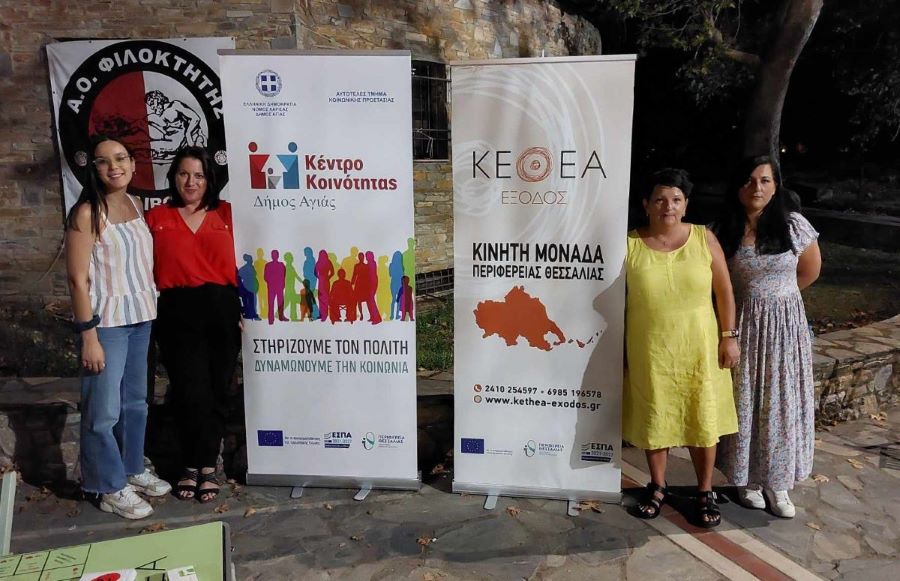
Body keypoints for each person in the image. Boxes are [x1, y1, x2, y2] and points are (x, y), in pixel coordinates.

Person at [623, 168, 740, 528]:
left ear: (686, 204)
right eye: (660, 199)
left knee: (701, 417)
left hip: (699, 348)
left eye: (676, 199)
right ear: (646, 204)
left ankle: (705, 490)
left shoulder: (704, 238)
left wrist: (729, 336)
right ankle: (657, 485)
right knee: (654, 413)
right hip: (650, 348)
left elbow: (724, 290)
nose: (668, 206)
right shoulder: (628, 244)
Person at [65, 136, 171, 520]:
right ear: (93, 169)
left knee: (135, 402)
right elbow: (77, 280)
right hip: (106, 323)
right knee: (103, 411)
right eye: (104, 161)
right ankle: (107, 485)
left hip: (141, 317)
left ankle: (131, 468)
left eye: (121, 158)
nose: (115, 167)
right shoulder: (86, 214)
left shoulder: (136, 204)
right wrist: (88, 335)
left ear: (132, 163)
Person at [713, 155, 821, 518]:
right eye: (749, 180)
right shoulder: (721, 230)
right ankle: (747, 479)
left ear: (776, 186)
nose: (756, 188)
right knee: (745, 401)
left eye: (764, 180)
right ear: (737, 186)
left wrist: (777, 300)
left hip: (785, 328)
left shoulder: (793, 225)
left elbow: (810, 271)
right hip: (742, 325)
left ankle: (778, 482)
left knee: (780, 401)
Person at [146, 146, 241, 504]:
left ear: (209, 179)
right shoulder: (157, 217)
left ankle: (207, 466)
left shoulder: (228, 214)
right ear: (173, 176)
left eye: (199, 175)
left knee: (217, 389)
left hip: (222, 308)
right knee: (188, 391)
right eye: (184, 174)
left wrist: (248, 310)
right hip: (177, 310)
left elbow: (250, 263)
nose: (191, 181)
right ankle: (190, 463)